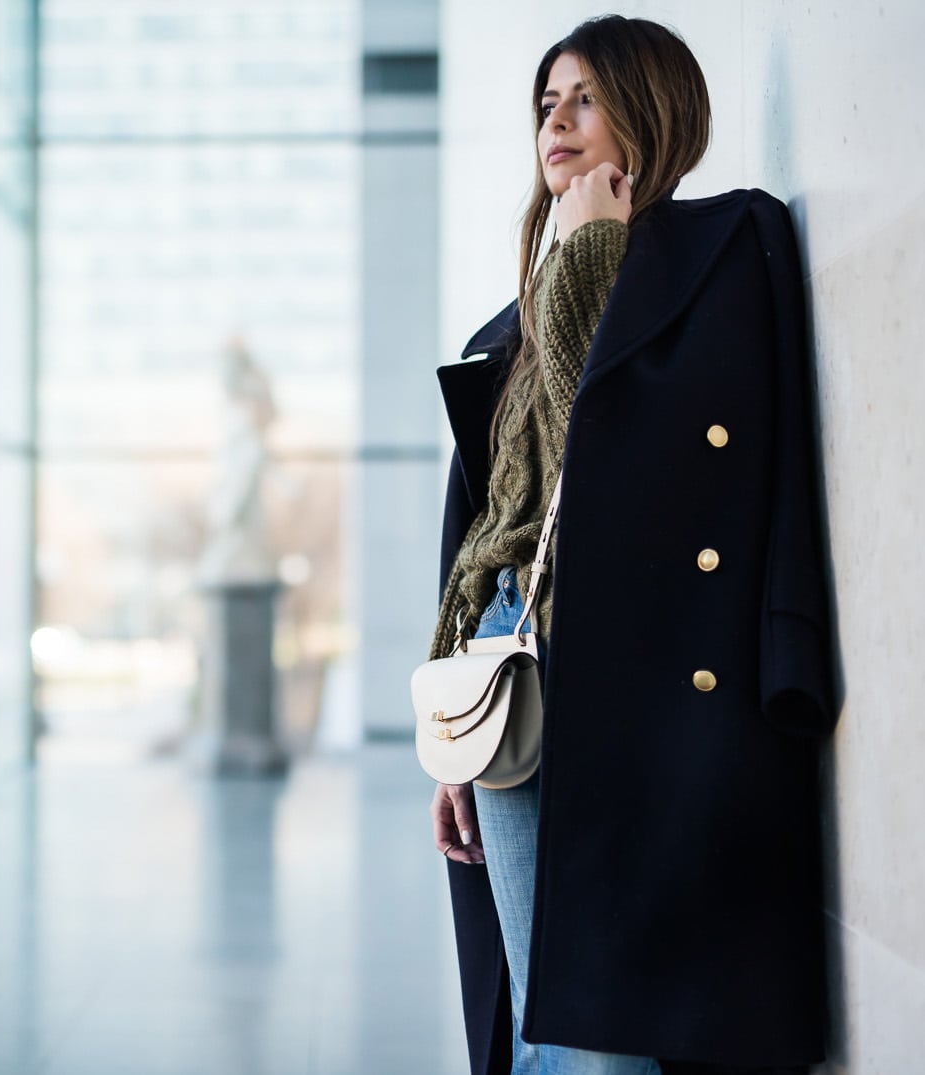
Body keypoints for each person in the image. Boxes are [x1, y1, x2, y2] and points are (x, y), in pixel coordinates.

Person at [424, 15, 835, 1075]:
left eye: (583, 99)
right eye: (543, 104)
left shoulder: (724, 248)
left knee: (610, 1029)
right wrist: (456, 742)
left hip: (646, 678)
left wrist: (594, 251)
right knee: (544, 1014)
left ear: (647, 115)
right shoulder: (505, 328)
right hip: (512, 659)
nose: (553, 122)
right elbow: (492, 532)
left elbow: (609, 462)